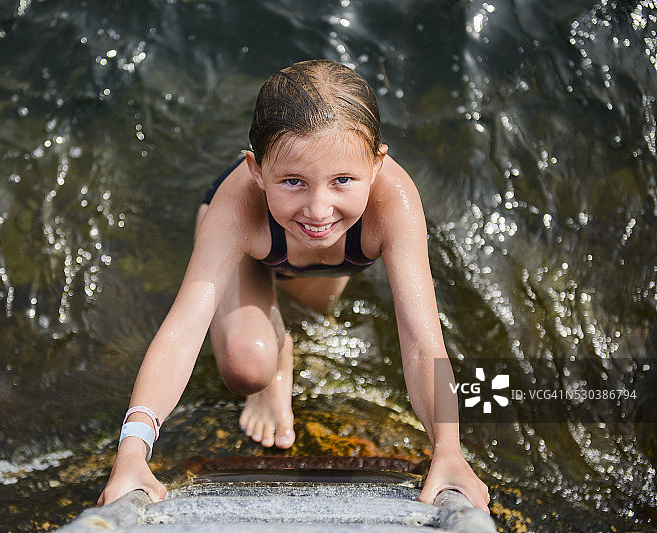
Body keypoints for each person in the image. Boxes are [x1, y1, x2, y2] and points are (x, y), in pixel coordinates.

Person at [97, 59, 490, 513]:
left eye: (343, 180)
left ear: (377, 164)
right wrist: (132, 452)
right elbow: (182, 331)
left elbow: (423, 343)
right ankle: (274, 358)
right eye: (293, 182)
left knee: (315, 312)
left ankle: (286, 328)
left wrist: (448, 450)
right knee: (247, 365)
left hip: (325, 248)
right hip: (256, 242)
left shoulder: (393, 204)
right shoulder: (239, 205)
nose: (319, 209)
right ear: (257, 171)